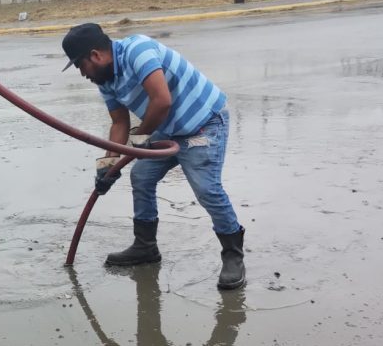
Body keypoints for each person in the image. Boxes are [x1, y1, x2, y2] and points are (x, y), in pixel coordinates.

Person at [61, 23, 245, 290]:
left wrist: (139, 140)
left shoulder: (139, 50)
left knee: (207, 189)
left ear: (95, 55)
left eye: (80, 65)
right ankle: (145, 247)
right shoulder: (106, 79)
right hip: (167, 128)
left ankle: (233, 256)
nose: (81, 73)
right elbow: (119, 123)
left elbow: (162, 101)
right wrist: (108, 165)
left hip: (203, 124)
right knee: (141, 176)